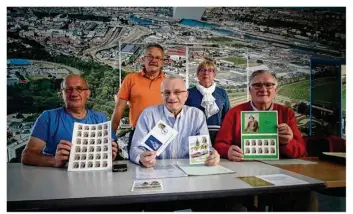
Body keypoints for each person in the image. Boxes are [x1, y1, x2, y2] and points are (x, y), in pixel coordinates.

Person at [21, 74, 118, 167]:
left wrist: (110, 155)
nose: (74, 94)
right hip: (56, 179)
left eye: (79, 89)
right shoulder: (49, 117)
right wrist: (54, 161)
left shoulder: (101, 118)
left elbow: (112, 150)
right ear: (62, 93)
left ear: (88, 93)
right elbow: (27, 156)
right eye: (68, 90)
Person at [214, 70, 307, 161]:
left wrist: (287, 143)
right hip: (243, 167)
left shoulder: (286, 113)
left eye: (268, 85)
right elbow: (219, 144)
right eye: (257, 85)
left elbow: (302, 150)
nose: (263, 89)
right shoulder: (234, 113)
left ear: (275, 90)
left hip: (279, 168)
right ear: (250, 90)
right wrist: (227, 151)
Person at [129, 75, 220, 167]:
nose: (172, 97)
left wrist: (212, 155)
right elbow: (135, 149)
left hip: (188, 172)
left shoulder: (197, 116)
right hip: (156, 173)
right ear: (161, 95)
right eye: (167, 93)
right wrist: (141, 158)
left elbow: (204, 151)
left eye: (177, 92)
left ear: (186, 95)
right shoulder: (148, 115)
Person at [111, 43, 166, 153]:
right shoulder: (131, 79)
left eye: (158, 58)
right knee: (136, 168)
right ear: (143, 59)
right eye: (150, 56)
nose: (154, 60)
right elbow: (118, 111)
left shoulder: (167, 82)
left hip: (161, 134)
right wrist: (110, 138)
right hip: (138, 133)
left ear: (162, 62)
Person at [185, 60, 230, 144]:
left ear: (214, 75)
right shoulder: (189, 93)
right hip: (196, 135)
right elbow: (185, 116)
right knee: (200, 157)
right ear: (197, 75)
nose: (206, 73)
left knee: (217, 157)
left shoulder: (222, 93)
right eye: (202, 70)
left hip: (219, 135)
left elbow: (227, 116)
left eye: (210, 70)